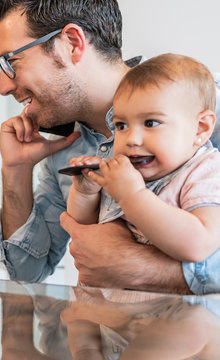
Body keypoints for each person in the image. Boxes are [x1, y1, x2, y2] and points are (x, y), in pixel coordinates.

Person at [0, 0, 220, 294]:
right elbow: (26, 271)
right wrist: (16, 170)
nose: (2, 86)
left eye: (11, 61)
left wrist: (142, 267)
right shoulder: (64, 151)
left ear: (72, 43)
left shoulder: (204, 114)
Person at [68, 54, 220, 264]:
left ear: (200, 128)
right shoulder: (126, 172)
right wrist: (85, 193)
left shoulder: (205, 172)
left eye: (151, 123)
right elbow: (87, 231)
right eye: (121, 125)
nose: (132, 139)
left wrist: (132, 195)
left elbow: (198, 245)